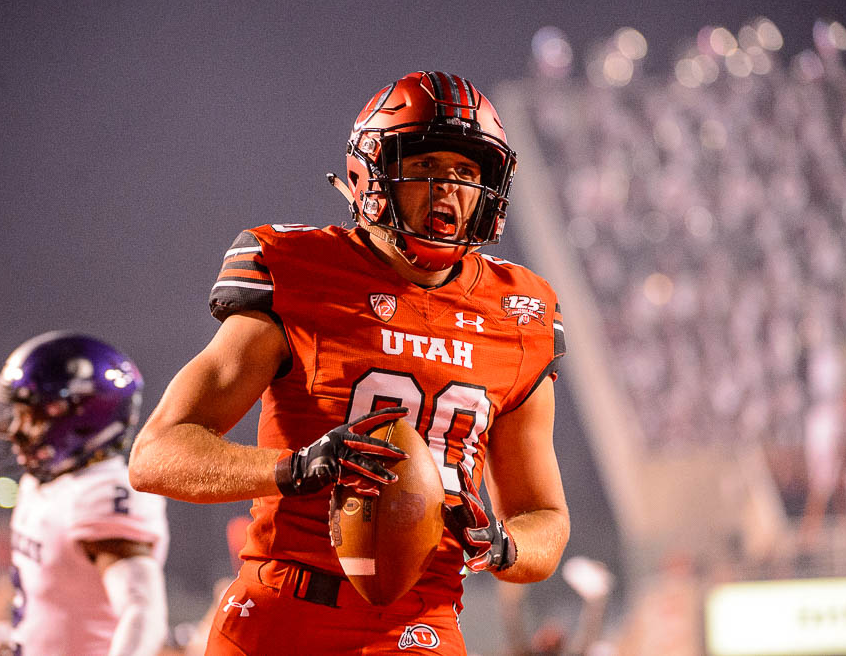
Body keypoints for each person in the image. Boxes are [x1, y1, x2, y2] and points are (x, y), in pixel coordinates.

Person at [129, 70, 570, 655]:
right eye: (428, 167)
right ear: (373, 174)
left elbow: (544, 516)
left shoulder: (519, 310)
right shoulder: (299, 268)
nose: (449, 190)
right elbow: (155, 455)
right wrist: (295, 468)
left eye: (467, 172)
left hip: (422, 622)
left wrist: (503, 545)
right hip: (283, 610)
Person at [0, 331, 169, 656]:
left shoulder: (102, 494)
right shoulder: (41, 483)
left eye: (31, 416)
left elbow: (144, 613)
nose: (14, 430)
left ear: (82, 419)